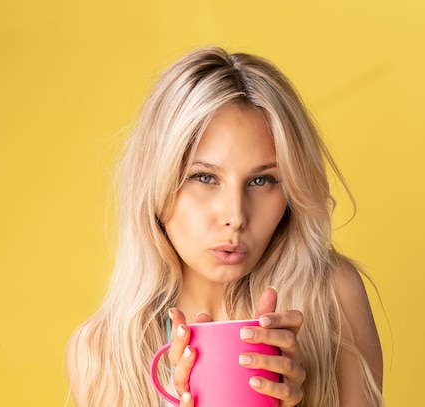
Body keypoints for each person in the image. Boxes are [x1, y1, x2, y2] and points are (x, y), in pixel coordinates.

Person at [66, 46, 384, 406]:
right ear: (155, 183)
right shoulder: (101, 353)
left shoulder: (331, 298)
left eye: (263, 181)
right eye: (204, 177)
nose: (235, 215)